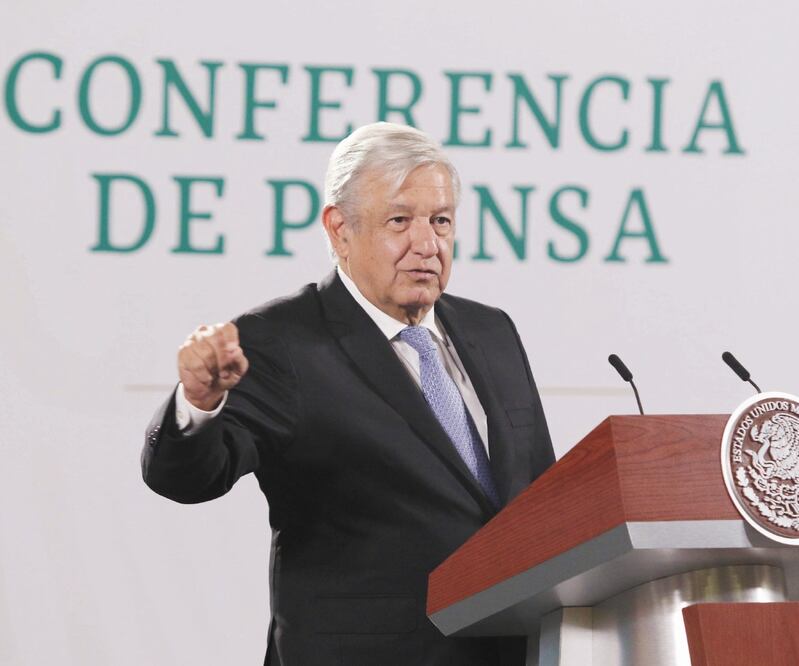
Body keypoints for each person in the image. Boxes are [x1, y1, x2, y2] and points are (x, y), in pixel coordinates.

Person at [142, 122, 555, 666]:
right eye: (400, 221)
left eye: (441, 221)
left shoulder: (492, 332)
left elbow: (546, 498)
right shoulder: (280, 342)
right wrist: (198, 404)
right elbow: (188, 477)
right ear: (339, 229)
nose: (427, 244)